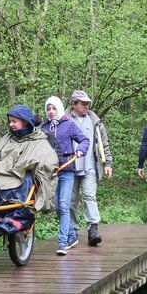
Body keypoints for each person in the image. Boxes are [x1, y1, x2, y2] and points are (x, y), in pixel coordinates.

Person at [0, 105, 58, 242]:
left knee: (24, 183)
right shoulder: (7, 138)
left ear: (25, 121)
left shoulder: (39, 140)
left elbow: (48, 162)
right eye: (10, 121)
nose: (11, 124)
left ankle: (13, 220)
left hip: (19, 176)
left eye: (14, 121)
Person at [41, 96, 89, 255]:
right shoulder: (43, 128)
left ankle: (62, 243)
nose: (51, 111)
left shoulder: (69, 124)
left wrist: (80, 150)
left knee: (64, 205)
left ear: (59, 108)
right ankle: (71, 235)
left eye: (53, 108)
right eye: (48, 109)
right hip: (51, 173)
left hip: (67, 170)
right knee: (57, 207)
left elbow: (84, 140)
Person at [67, 90, 113, 246]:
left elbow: (103, 143)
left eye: (88, 103)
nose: (87, 106)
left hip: (90, 166)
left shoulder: (95, 120)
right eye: (83, 103)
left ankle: (93, 229)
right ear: (74, 104)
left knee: (89, 197)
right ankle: (72, 230)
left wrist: (107, 163)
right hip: (69, 167)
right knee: (71, 201)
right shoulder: (64, 119)